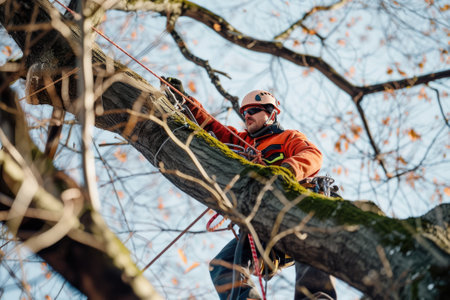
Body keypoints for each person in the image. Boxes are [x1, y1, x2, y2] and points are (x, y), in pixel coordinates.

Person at [162, 78, 336, 300]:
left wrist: (285, 171)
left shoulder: (288, 137)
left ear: (271, 114)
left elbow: (312, 155)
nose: (247, 115)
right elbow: (214, 128)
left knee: (307, 246)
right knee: (222, 267)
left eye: (254, 110)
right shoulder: (243, 142)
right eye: (244, 112)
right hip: (261, 221)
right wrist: (185, 99)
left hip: (295, 204)